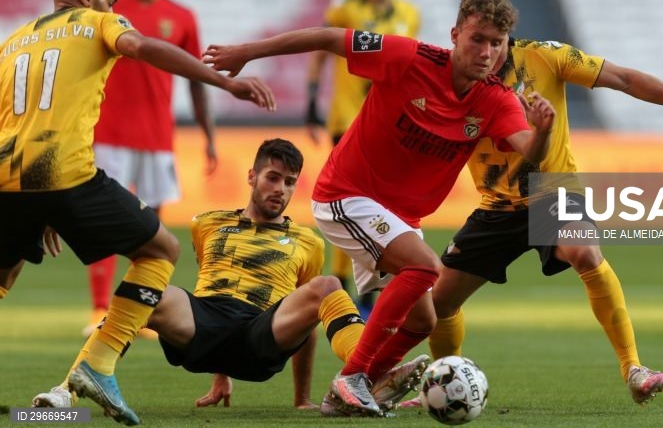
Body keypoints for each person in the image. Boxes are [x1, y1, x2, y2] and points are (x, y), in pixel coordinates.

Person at [203, 0, 556, 416]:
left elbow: (529, 150)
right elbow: (327, 36)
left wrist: (543, 131)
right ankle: (353, 376)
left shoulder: (496, 99)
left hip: (396, 218)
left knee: (423, 320)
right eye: (477, 39)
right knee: (425, 266)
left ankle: (351, 393)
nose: (486, 52)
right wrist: (245, 52)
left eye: (496, 44)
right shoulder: (408, 57)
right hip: (345, 196)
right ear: (455, 34)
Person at [425, 0, 663, 406]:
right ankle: (442, 383)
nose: (490, 43)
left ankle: (633, 367)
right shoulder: (443, 76)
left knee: (585, 250)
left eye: (499, 27)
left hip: (551, 191)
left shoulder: (545, 56)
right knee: (438, 304)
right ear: (460, 23)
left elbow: (624, 78)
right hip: (496, 204)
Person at [0, 0, 274, 425]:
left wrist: (36, 203)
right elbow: (145, 48)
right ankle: (97, 365)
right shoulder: (97, 22)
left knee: (3, 277)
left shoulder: (15, 41)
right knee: (159, 249)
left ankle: (61, 400)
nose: (113, 6)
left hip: (8, 177)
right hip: (65, 170)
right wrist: (224, 84)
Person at [32, 139, 429, 416]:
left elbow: (305, 324)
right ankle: (61, 398)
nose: (281, 189)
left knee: (327, 286)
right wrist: (221, 377)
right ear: (252, 175)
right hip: (203, 328)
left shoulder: (308, 242)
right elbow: (215, 288)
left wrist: (301, 398)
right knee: (152, 288)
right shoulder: (207, 224)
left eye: (290, 183)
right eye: (273, 177)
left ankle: (366, 373)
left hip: (260, 333)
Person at [83, 0, 217, 339]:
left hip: (158, 136)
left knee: (152, 228)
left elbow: (195, 78)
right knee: (106, 223)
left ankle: (138, 308)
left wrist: (208, 135)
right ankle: (99, 309)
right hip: (110, 133)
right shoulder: (109, 17)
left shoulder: (181, 17)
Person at [305, 0, 420, 315]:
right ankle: (347, 288)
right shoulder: (345, 8)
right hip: (348, 119)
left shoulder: (409, 13)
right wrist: (310, 96)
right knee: (347, 201)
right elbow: (323, 50)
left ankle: (364, 289)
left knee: (379, 204)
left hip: (387, 125)